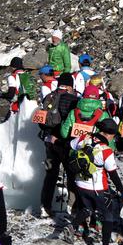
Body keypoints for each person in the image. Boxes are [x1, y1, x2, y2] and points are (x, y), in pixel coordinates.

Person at [69, 119, 123, 245]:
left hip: (80, 183)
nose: (113, 138)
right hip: (98, 188)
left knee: (87, 208)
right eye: (113, 135)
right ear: (108, 134)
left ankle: (72, 227)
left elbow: (71, 145)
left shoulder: (84, 138)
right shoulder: (106, 151)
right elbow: (113, 174)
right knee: (107, 216)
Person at [39, 73, 81, 217]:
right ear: (70, 85)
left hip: (49, 141)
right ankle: (72, 206)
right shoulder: (74, 99)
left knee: (50, 174)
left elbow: (41, 120)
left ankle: (45, 205)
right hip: (65, 143)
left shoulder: (49, 97)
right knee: (71, 173)